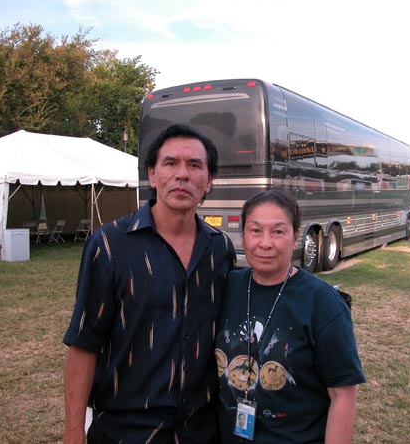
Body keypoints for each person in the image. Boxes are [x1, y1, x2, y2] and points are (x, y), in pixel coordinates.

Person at [63, 124, 235, 444]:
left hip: (201, 430)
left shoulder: (220, 250)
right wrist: (74, 432)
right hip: (125, 431)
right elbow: (84, 344)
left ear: (209, 181)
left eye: (194, 165)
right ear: (153, 175)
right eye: (171, 163)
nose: (182, 174)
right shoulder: (111, 245)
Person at [215, 189, 365, 443]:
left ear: (296, 237)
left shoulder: (323, 302)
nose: (265, 243)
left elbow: (342, 395)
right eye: (255, 231)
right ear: (242, 236)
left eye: (278, 231)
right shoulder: (226, 287)